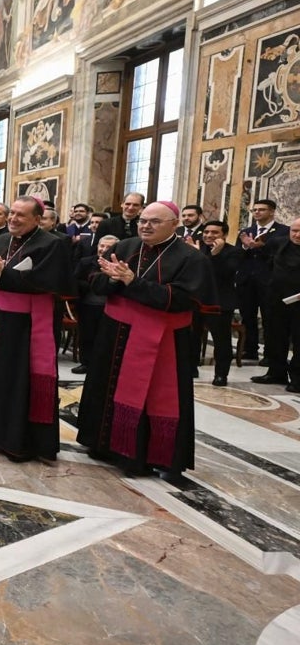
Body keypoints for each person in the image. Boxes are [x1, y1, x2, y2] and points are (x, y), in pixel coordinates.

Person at [76, 202, 217, 482]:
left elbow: (182, 300)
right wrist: (114, 280)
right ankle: (103, 444)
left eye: (154, 221)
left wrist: (132, 281)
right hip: (115, 332)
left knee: (151, 395)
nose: (145, 226)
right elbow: (94, 280)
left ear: (174, 224)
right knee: (106, 388)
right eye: (142, 220)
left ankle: (140, 454)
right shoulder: (126, 246)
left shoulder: (191, 258)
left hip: (160, 338)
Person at [0, 196, 73, 462]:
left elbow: (52, 282)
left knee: (20, 379)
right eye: (12, 213)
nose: (14, 219)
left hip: (29, 324)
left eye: (21, 216)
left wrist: (4, 273)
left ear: (37, 220)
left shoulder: (53, 245)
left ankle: (20, 441)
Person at [188, 220, 241, 386]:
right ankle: (191, 368)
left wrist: (215, 256)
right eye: (206, 232)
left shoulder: (234, 252)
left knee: (221, 341)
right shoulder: (197, 248)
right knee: (191, 337)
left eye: (214, 233)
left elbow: (224, 274)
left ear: (224, 235)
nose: (209, 235)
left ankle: (221, 374)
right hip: (196, 300)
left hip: (220, 302)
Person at [238, 199, 289, 365]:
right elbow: (237, 255)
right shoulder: (247, 231)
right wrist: (246, 247)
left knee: (270, 318)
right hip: (247, 281)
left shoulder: (283, 231)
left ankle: (270, 355)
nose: (257, 213)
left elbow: (282, 256)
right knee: (248, 317)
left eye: (261, 209)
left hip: (269, 281)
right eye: (254, 210)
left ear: (272, 212)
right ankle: (249, 350)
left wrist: (261, 247)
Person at [258, 217, 300, 391]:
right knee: (276, 337)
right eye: (294, 230)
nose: (297, 235)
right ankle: (276, 372)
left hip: (299, 302)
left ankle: (297, 378)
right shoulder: (278, 243)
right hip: (277, 299)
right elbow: (265, 262)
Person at [71, 234, 119, 374]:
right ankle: (86, 363)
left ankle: (105, 366)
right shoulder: (86, 262)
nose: (103, 249)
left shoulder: (120, 265)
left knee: (107, 338)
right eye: (101, 245)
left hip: (111, 305)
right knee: (87, 335)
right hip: (88, 304)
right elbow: (75, 280)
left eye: (108, 247)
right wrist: (95, 284)